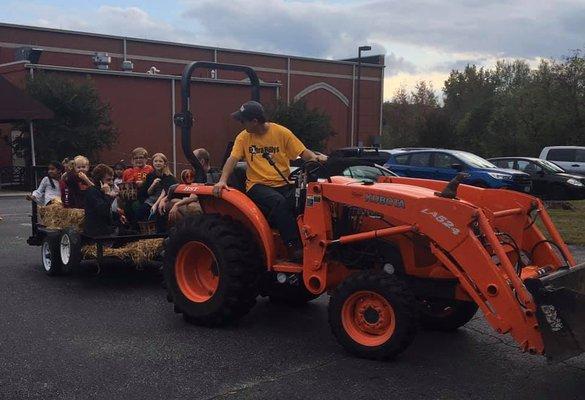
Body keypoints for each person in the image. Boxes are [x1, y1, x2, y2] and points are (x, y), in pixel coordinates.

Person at [213, 101, 327, 260]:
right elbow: (232, 159)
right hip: (257, 185)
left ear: (254, 121)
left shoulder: (281, 133)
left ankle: (319, 242)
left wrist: (317, 159)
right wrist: (222, 180)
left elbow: (303, 152)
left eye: (243, 120)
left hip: (283, 183)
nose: (241, 123)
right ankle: (294, 248)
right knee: (279, 202)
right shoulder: (244, 137)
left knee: (307, 199)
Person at [83, 164, 126, 237]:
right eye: (108, 180)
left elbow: (108, 212)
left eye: (112, 179)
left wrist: (118, 216)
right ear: (99, 180)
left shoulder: (100, 191)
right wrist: (108, 195)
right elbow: (103, 211)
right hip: (99, 232)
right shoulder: (92, 192)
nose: (111, 182)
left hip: (106, 228)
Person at [137, 152, 177, 224]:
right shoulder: (150, 175)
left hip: (164, 199)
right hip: (152, 199)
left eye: (160, 161)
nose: (158, 163)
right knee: (141, 210)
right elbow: (148, 192)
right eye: (155, 161)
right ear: (152, 163)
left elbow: (165, 193)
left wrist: (156, 205)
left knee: (160, 211)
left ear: (165, 164)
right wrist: (153, 184)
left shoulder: (169, 177)